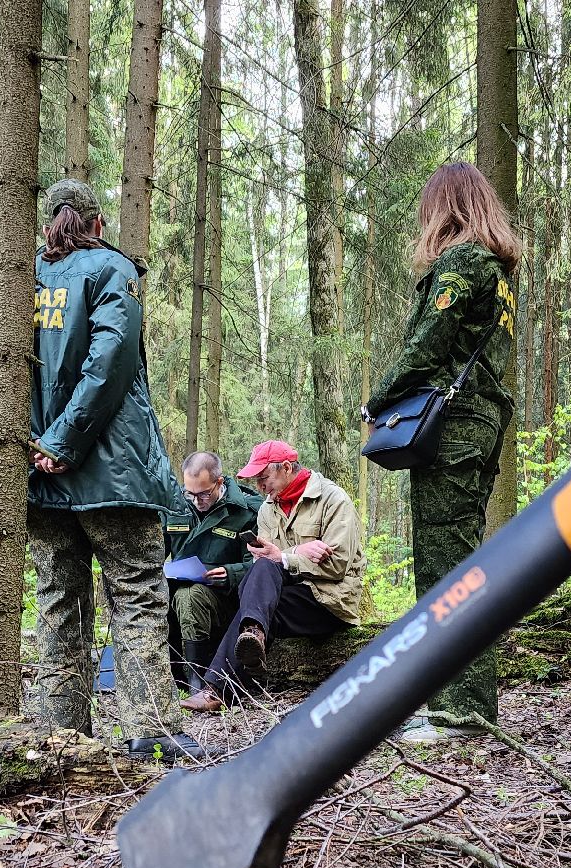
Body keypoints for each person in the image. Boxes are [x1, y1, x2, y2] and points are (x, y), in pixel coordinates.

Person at [0, 179, 197, 758]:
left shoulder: (16, 284)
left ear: (48, 226)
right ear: (96, 223)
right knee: (139, 595)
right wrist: (62, 442)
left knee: (58, 600)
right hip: (112, 474)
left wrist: (26, 442)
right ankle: (151, 734)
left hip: (41, 478)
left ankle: (59, 735)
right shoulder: (113, 270)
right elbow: (110, 363)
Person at [362, 162, 519, 742]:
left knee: (445, 566)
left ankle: (461, 712)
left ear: (445, 206)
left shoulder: (462, 263)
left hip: (452, 430)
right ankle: (458, 703)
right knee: (459, 561)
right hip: (480, 424)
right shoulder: (499, 272)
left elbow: (429, 345)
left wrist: (378, 399)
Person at [187, 440, 364, 712]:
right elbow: (265, 565)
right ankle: (251, 638)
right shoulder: (267, 509)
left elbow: (337, 566)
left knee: (259, 592)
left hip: (329, 601)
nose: (259, 487)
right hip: (285, 599)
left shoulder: (333, 499)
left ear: (285, 468)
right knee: (260, 580)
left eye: (263, 478)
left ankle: (218, 685)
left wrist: (285, 555)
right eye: (255, 480)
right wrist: (292, 554)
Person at [162, 451, 263, 697]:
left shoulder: (246, 512)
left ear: (219, 482)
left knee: (191, 596)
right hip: (177, 594)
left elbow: (261, 565)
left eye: (204, 493)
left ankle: (198, 680)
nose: (197, 501)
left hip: (225, 601)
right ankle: (170, 679)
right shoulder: (174, 507)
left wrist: (230, 573)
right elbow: (152, 556)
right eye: (191, 494)